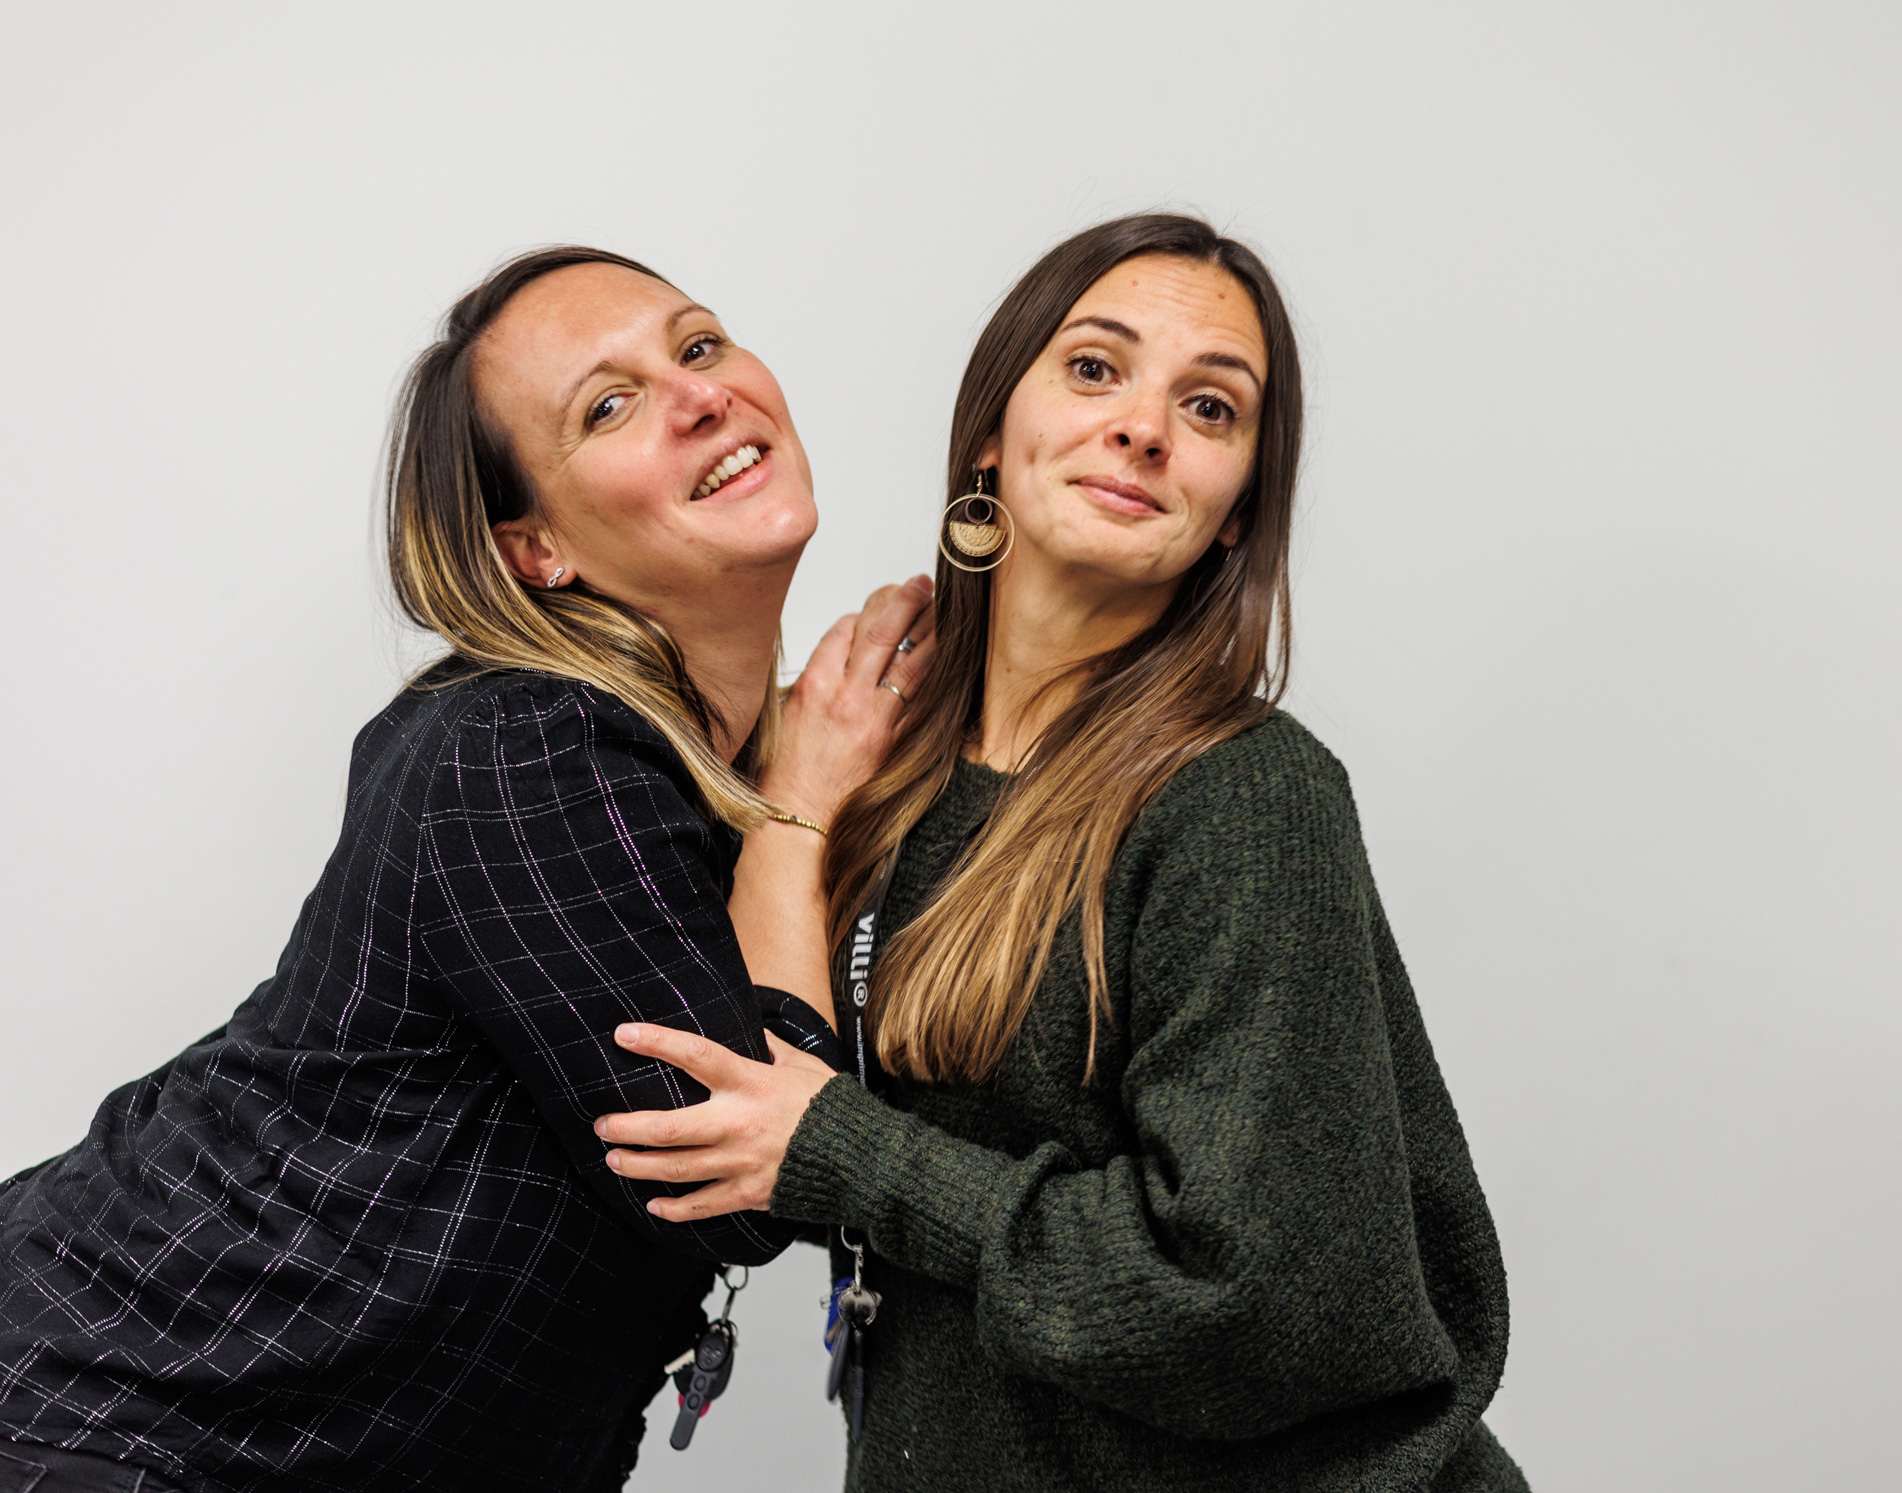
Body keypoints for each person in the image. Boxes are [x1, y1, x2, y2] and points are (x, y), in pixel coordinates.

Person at [596, 214, 1531, 1491]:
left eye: (1210, 408)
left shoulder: (1246, 797)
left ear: (1234, 511)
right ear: (991, 429)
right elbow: (768, 1120)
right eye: (1096, 368)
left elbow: (1245, 1298)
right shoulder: (885, 768)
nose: (1145, 427)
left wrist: (851, 1154)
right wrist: (798, 798)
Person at [0, 246, 931, 1492]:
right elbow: (748, 1171)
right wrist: (801, 800)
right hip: (105, 1420)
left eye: (699, 344)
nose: (701, 395)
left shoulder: (712, 771)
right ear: (535, 547)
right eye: (610, 405)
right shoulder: (526, 741)